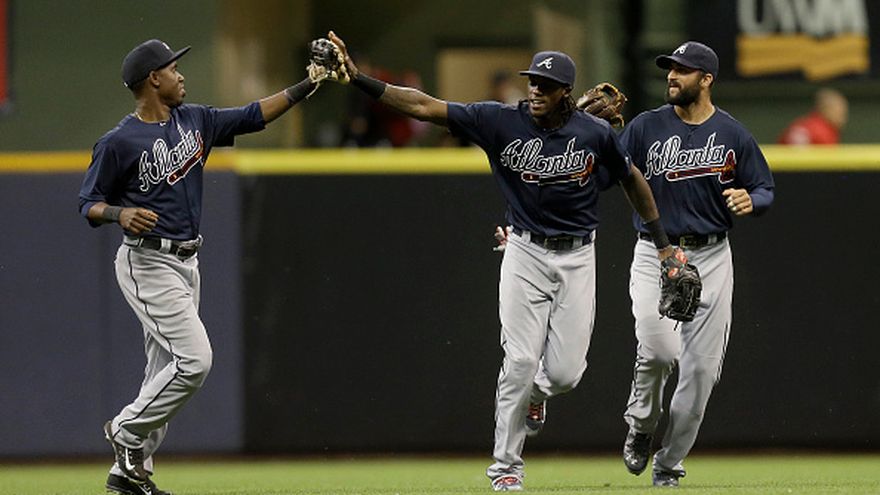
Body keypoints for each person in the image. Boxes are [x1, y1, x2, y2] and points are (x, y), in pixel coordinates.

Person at [324, 31, 680, 492]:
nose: (535, 90)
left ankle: (536, 395)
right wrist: (359, 80)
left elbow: (632, 180)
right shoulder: (499, 120)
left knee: (566, 374)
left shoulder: (593, 134)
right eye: (532, 81)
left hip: (577, 256)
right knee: (519, 360)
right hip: (524, 251)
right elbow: (425, 106)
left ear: (565, 92)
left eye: (546, 85)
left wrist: (662, 243)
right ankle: (506, 466)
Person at [78, 39, 318, 495]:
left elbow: (253, 115)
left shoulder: (196, 120)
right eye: (173, 68)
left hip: (187, 262)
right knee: (194, 361)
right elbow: (88, 203)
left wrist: (308, 84)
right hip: (147, 261)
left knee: (162, 372)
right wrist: (118, 213)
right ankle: (125, 431)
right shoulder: (118, 141)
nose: (181, 74)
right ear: (154, 79)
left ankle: (128, 473)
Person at [617, 41, 775, 487]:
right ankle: (641, 425)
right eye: (670, 68)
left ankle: (669, 464)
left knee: (702, 372)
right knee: (659, 352)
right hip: (656, 251)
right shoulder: (645, 127)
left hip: (711, 254)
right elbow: (606, 171)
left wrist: (753, 199)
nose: (672, 75)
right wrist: (593, 133)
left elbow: (764, 187)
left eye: (683, 70)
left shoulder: (732, 133)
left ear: (706, 79)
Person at [777, 87, 848, 145]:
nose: (843, 118)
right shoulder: (821, 131)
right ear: (826, 109)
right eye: (839, 111)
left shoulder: (807, 124)